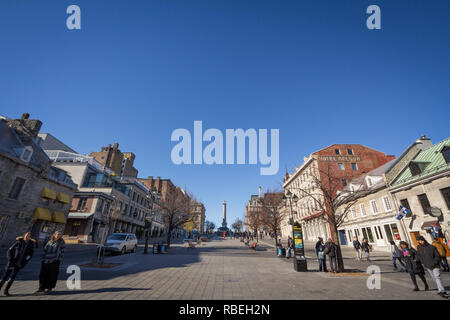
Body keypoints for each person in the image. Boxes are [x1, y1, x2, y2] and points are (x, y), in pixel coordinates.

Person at [0, 232, 36, 296]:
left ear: (30, 237)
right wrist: (10, 259)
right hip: (12, 262)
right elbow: (9, 250)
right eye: (26, 235)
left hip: (20, 263)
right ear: (24, 236)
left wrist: (26, 259)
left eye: (29, 236)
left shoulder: (31, 244)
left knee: (13, 277)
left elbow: (31, 254)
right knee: (5, 276)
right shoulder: (19, 242)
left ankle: (6, 291)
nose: (27, 237)